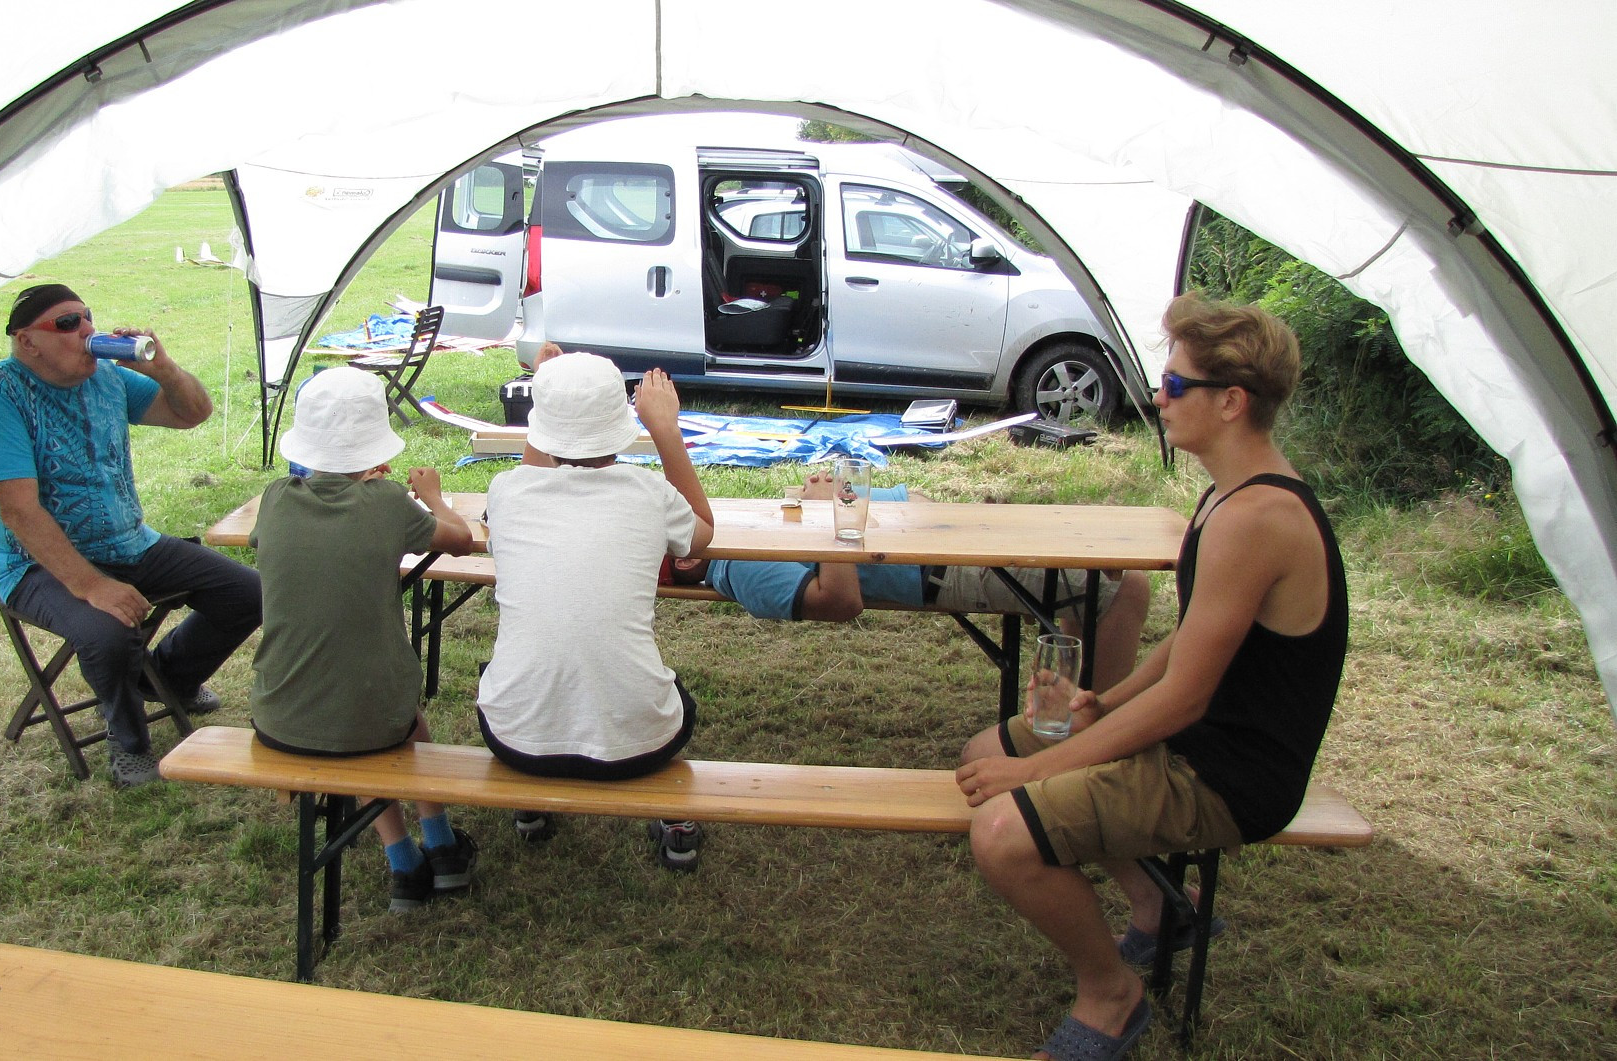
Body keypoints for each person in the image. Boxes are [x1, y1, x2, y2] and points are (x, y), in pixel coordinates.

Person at [954, 293, 1348, 1061]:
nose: (1157, 398)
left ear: (1231, 402)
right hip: (1196, 741)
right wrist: (1099, 702)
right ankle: (1158, 908)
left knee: (1001, 832)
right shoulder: (1227, 493)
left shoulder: (1257, 518)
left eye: (1173, 384)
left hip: (1227, 775)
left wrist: (1037, 769)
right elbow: (1190, 643)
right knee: (983, 753)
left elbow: (1184, 698)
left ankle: (1110, 993)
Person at [0, 284, 262, 788]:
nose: (86, 330)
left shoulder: (105, 375)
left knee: (248, 593)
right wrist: (91, 585)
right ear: (27, 341)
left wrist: (164, 369)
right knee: (107, 632)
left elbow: (192, 413)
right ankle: (128, 744)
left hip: (130, 543)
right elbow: (17, 509)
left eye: (86, 316)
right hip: (37, 565)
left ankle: (166, 679)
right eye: (67, 323)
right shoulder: (1, 392)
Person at [248, 367, 479, 911]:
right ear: (375, 447)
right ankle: (440, 842)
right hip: (372, 718)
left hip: (278, 717)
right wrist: (432, 496)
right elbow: (461, 540)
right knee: (391, 717)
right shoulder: (388, 502)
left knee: (358, 703)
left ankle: (403, 862)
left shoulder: (276, 498)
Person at [475, 352, 716, 870]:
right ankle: (674, 820)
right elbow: (701, 532)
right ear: (622, 423)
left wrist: (552, 392)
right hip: (639, 748)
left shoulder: (506, 492)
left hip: (516, 742)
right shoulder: (649, 493)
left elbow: (530, 475)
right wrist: (665, 430)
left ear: (539, 428)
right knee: (675, 697)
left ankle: (531, 805)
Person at [667, 477, 1151, 693]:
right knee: (1126, 584)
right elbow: (841, 601)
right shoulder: (740, 568)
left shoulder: (732, 534)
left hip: (937, 532)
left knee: (1093, 557)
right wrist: (827, 512)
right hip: (945, 566)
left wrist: (842, 494)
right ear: (686, 557)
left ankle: (1072, 708)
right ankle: (1098, 734)